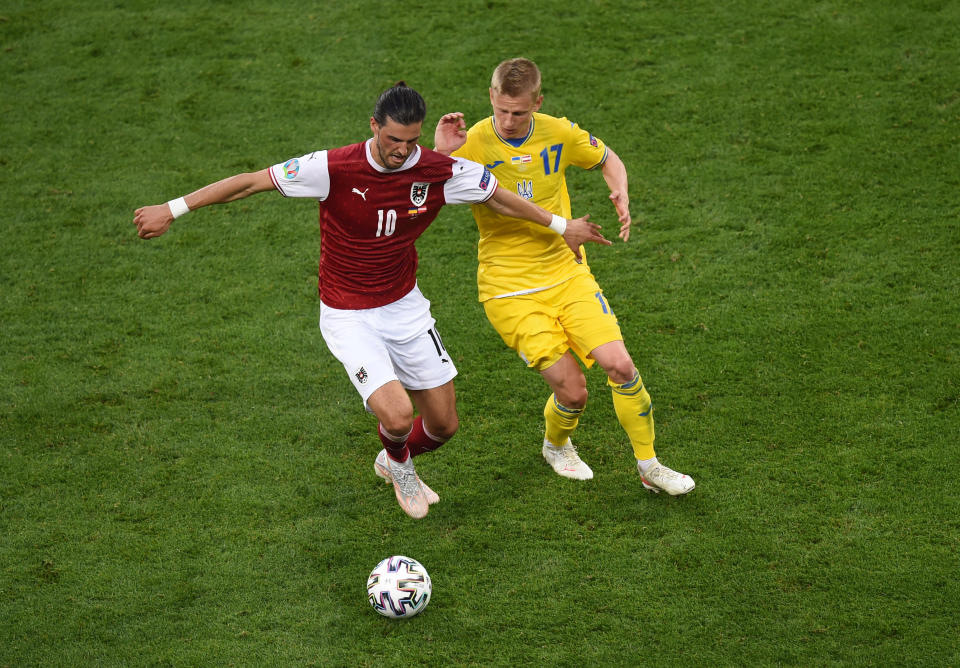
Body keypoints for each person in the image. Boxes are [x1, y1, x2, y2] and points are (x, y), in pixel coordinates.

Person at [134, 82, 610, 519]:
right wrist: (173, 209)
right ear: (374, 127)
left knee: (443, 425)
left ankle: (391, 457)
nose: (402, 151)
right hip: (348, 314)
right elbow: (251, 181)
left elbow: (500, 198)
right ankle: (402, 467)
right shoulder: (332, 167)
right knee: (399, 415)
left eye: (411, 141)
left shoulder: (437, 169)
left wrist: (560, 225)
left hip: (404, 306)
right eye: (393, 140)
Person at [434, 59, 694, 495]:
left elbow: (609, 158)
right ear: (492, 99)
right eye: (501, 111)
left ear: (538, 102)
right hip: (509, 288)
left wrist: (620, 189)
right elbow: (423, 186)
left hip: (567, 271)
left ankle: (650, 466)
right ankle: (556, 446)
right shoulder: (475, 141)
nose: (510, 121)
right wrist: (443, 151)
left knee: (620, 365)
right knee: (574, 393)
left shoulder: (557, 131)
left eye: (520, 112)